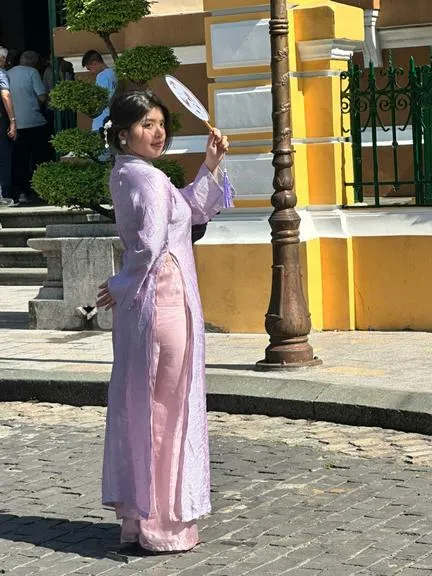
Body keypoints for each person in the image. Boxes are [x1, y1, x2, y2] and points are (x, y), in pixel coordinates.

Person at [96, 90, 232, 554]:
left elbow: (188, 212)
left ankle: (139, 518)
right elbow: (152, 243)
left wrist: (210, 164)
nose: (158, 133)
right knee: (166, 409)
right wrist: (120, 282)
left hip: (146, 305)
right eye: (146, 125)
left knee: (146, 404)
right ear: (122, 133)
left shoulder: (127, 173)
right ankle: (163, 525)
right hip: (164, 301)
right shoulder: (149, 178)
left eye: (160, 124)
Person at [8, 50, 50, 205]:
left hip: (16, 124)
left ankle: (22, 191)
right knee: (40, 158)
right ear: (34, 62)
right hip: (35, 122)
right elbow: (42, 96)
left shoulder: (7, 74)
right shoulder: (32, 73)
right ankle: (41, 190)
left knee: (20, 160)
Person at [82, 50, 116, 132]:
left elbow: (98, 99)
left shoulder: (102, 76)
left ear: (94, 63)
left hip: (101, 122)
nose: (91, 72)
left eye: (89, 69)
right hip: (113, 119)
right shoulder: (113, 73)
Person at [0, 46, 17, 206]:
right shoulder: (1, 73)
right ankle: (3, 194)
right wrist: (12, 120)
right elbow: (5, 95)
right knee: (3, 157)